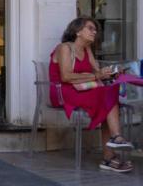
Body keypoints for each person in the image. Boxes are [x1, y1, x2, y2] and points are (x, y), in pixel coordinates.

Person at [50, 17, 132, 173]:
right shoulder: (64, 48)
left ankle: (111, 152)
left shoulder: (87, 50)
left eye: (95, 29)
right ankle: (112, 149)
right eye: (90, 28)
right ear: (78, 31)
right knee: (107, 98)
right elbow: (66, 76)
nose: (94, 32)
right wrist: (97, 76)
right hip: (63, 92)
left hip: (83, 90)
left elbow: (98, 73)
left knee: (109, 95)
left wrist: (112, 72)